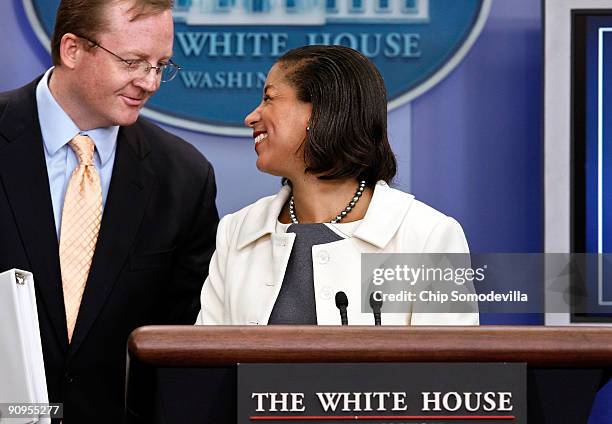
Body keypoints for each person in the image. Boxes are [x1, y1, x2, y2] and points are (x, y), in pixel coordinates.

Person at [0, 0, 218, 422]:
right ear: (73, 50)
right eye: (133, 62)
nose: (150, 82)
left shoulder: (183, 177)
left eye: (161, 65)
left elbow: (182, 339)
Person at [196, 45, 477, 326]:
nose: (251, 117)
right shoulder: (237, 231)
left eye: (269, 98)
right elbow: (207, 360)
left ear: (320, 111)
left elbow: (450, 366)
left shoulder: (429, 237)